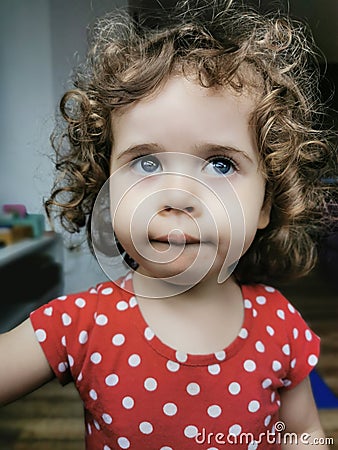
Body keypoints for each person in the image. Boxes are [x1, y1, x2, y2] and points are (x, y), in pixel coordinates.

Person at [1, 1, 337, 448]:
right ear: (107, 192)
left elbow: (304, 435)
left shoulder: (279, 326)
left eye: (219, 164)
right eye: (146, 162)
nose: (177, 195)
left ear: (265, 205)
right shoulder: (79, 325)